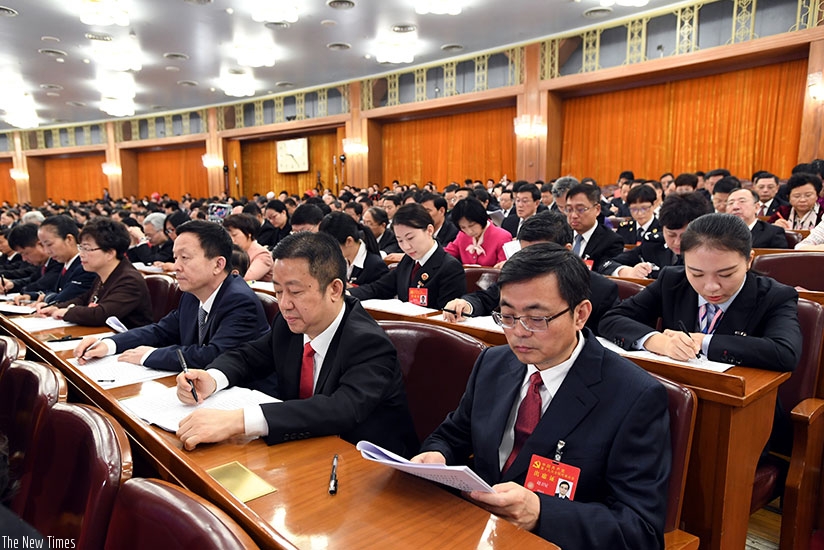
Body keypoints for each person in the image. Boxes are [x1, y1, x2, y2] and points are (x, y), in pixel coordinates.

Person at [413, 243, 671, 549]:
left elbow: (641, 531)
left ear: (580, 314)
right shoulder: (493, 362)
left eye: (537, 319)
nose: (519, 332)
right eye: (507, 316)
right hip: (476, 529)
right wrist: (437, 456)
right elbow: (455, 434)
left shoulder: (633, 395)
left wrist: (542, 514)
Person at [173, 231, 418, 456]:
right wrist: (213, 378)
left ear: (334, 289)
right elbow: (248, 356)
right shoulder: (289, 324)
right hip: (307, 449)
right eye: (278, 292)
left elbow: (339, 410)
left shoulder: (369, 343)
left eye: (296, 292)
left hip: (367, 463)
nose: (284, 304)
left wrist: (239, 421)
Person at [599, 213, 800, 371]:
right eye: (696, 274)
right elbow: (612, 319)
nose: (710, 286)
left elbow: (784, 352)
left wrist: (703, 341)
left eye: (726, 274)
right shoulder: (672, 281)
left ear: (749, 260)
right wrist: (658, 342)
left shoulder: (775, 296)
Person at [73, 220, 270, 371]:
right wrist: (110, 344)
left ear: (218, 264)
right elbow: (160, 331)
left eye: (185, 258)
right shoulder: (192, 293)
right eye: (175, 258)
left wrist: (149, 356)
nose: (176, 267)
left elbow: (214, 355)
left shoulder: (239, 300)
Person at [444, 211, 618, 335]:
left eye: (539, 254)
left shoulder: (601, 290)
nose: (530, 263)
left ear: (567, 250)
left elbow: (609, 331)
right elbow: (485, 298)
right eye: (524, 254)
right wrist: (465, 304)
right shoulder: (517, 279)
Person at [38, 218, 153, 329]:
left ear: (110, 253)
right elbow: (83, 299)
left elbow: (101, 314)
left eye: (87, 249)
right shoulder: (104, 273)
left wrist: (67, 312)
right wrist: (54, 307)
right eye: (81, 248)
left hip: (129, 344)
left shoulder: (129, 280)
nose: (81, 254)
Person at [349, 203, 467, 309]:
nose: (406, 246)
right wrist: (350, 293)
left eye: (410, 238)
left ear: (429, 230)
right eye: (400, 240)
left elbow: (447, 316)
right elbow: (380, 288)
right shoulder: (408, 260)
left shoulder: (450, 267)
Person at [599, 192, 711, 279]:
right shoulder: (654, 244)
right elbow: (606, 264)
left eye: (684, 236)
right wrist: (627, 271)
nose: (677, 242)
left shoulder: (710, 253)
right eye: (671, 235)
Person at [12, 215, 95, 306]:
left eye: (49, 244)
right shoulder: (65, 263)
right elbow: (54, 290)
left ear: (69, 239)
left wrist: (46, 297)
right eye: (44, 245)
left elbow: (64, 298)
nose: (47, 251)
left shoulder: (85, 266)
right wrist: (32, 296)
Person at [319, 211, 388, 287]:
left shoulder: (375, 266)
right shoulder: (340, 261)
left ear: (349, 241)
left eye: (332, 247)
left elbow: (380, 293)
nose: (329, 252)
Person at [565, 184, 624, 269]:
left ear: (597, 209)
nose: (573, 215)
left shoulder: (612, 241)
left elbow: (604, 275)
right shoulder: (559, 235)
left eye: (580, 209)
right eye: (569, 209)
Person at [444, 198, 511, 266]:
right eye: (463, 227)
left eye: (472, 225)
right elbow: (448, 254)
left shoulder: (502, 237)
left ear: (481, 218)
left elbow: (504, 269)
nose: (469, 231)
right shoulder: (462, 235)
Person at [2, 223, 62, 295]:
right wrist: (12, 284)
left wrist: (26, 292)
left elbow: (40, 285)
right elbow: (32, 280)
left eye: (26, 253)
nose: (24, 259)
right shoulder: (44, 264)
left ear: (40, 245)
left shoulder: (58, 262)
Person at [222, 214, 273, 282]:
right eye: (228, 236)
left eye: (234, 235)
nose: (231, 239)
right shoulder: (231, 251)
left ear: (249, 234)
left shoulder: (262, 254)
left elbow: (247, 278)